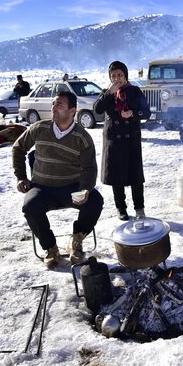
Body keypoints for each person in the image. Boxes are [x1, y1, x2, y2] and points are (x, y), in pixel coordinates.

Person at [12, 91, 104, 268]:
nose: (53, 108)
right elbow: (18, 148)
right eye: (53, 103)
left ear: (72, 110)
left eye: (59, 104)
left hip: (71, 187)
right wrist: (21, 177)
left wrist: (85, 190)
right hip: (42, 187)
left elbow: (89, 168)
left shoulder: (82, 137)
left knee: (95, 201)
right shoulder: (39, 128)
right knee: (30, 206)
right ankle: (50, 248)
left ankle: (76, 242)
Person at [94, 61, 151, 220]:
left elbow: (146, 112)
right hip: (114, 139)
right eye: (113, 76)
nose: (117, 78)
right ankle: (121, 208)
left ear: (125, 75)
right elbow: (97, 109)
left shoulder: (134, 91)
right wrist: (108, 93)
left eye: (119, 75)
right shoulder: (107, 92)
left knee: (135, 176)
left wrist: (133, 113)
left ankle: (139, 208)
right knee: (116, 176)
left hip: (131, 137)